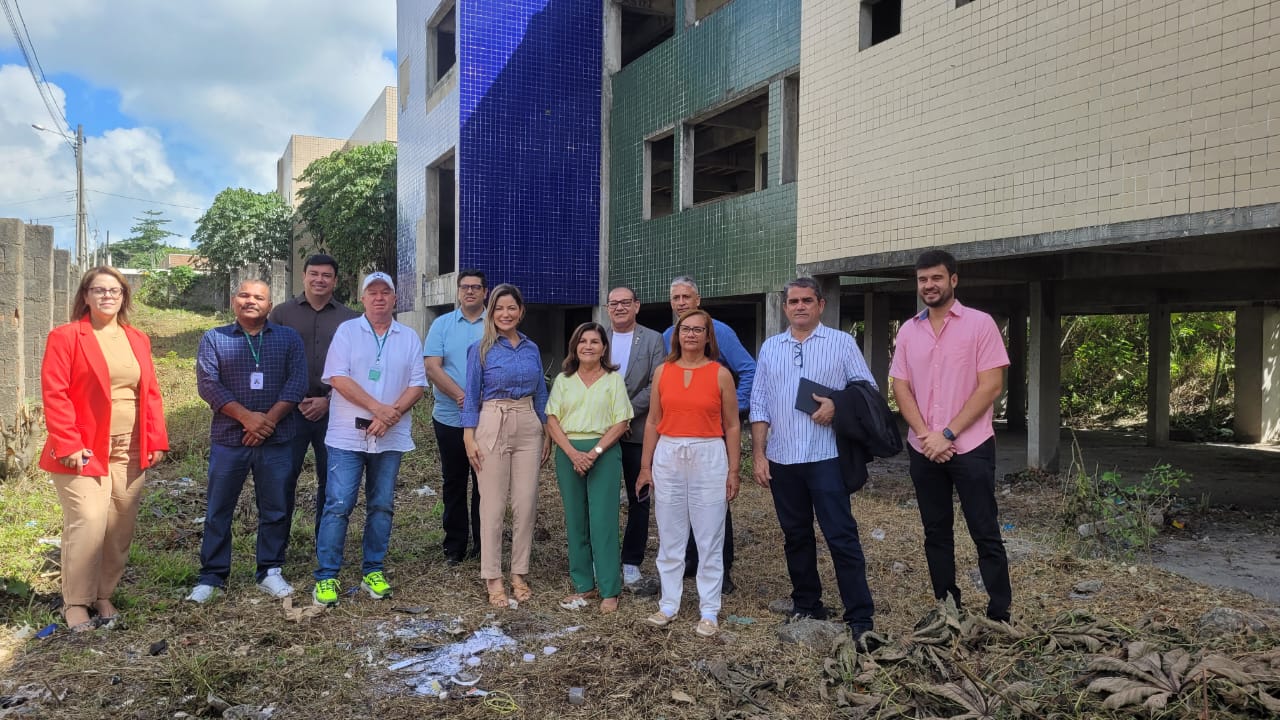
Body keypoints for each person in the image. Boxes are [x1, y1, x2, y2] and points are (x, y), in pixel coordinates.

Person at [40, 267, 169, 631]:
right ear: (85, 296)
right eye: (99, 290)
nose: (107, 296)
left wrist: (156, 438)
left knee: (118, 526)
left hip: (130, 446)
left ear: (124, 296)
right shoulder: (66, 337)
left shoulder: (136, 338)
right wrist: (68, 442)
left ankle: (103, 594)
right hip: (84, 447)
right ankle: (75, 603)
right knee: (89, 521)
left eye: (114, 290)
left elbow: (150, 392)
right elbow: (55, 392)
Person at [750, 278, 878, 641]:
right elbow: (759, 404)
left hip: (827, 456)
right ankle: (807, 603)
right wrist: (759, 455)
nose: (800, 306)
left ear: (821, 305)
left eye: (807, 300)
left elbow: (868, 389)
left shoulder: (841, 343)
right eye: (793, 301)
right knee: (796, 536)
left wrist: (837, 404)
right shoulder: (771, 347)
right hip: (782, 457)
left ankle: (860, 616)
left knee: (841, 536)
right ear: (785, 307)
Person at [890, 249, 1012, 622]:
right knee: (936, 531)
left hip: (971, 446)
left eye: (936, 278)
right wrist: (926, 435)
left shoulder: (980, 324)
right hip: (924, 448)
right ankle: (947, 606)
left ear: (953, 280)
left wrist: (947, 433)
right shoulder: (908, 330)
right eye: (923, 279)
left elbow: (991, 386)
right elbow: (900, 387)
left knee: (984, 529)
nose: (929, 285)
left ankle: (999, 613)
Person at [312, 272, 427, 605]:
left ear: (394, 299)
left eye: (385, 292)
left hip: (390, 436)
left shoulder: (408, 336)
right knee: (338, 505)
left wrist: (390, 416)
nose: (379, 298)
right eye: (372, 292)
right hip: (347, 436)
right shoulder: (347, 331)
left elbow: (417, 384)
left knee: (381, 505)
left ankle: (372, 571)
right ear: (362, 299)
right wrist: (379, 409)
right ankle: (327, 576)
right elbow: (338, 378)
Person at [189, 280, 307, 603]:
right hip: (230, 439)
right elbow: (208, 385)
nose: (250, 301)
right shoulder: (215, 338)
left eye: (259, 297)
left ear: (270, 305)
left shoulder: (288, 338)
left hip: (276, 439)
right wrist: (247, 418)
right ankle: (212, 577)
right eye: (244, 295)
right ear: (233, 301)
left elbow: (297, 384)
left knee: (275, 507)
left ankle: (270, 570)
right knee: (219, 508)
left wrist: (266, 422)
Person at [637, 309, 741, 637]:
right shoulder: (663, 371)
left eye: (698, 330)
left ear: (708, 336)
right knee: (670, 533)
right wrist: (645, 467)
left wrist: (734, 470)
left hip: (708, 454)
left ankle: (709, 609)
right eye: (686, 329)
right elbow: (653, 421)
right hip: (669, 453)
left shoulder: (720, 374)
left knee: (709, 535)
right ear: (677, 335)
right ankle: (668, 604)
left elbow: (732, 425)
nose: (691, 335)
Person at [662, 276, 754, 594]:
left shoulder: (719, 332)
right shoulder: (668, 336)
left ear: (698, 300)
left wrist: (732, 409)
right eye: (676, 298)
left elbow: (749, 369)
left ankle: (721, 569)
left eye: (686, 297)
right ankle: (690, 561)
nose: (681, 303)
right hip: (679, 436)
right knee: (681, 501)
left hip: (712, 433)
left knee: (714, 503)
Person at [461, 283, 549, 609]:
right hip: (492, 421)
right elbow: (471, 395)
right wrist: (468, 436)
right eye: (499, 308)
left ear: (521, 311)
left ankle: (519, 572)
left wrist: (547, 430)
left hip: (528, 422)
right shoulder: (480, 349)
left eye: (511, 308)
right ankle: (493, 576)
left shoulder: (531, 348)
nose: (505, 314)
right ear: (491, 312)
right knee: (493, 505)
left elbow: (541, 392)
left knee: (526, 503)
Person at [545, 322, 633, 613]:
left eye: (595, 341)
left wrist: (594, 453)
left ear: (604, 348)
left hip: (603, 453)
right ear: (575, 346)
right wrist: (573, 453)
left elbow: (622, 422)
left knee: (603, 521)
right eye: (583, 341)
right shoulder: (563, 380)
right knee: (576, 520)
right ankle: (584, 585)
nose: (588, 346)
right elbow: (552, 419)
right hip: (568, 452)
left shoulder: (613, 380)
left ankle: (609, 589)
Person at [268, 254, 359, 538]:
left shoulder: (350, 319)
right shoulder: (282, 314)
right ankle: (277, 549)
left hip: (335, 411)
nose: (320, 280)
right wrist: (293, 400)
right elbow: (272, 361)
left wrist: (329, 401)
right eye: (314, 274)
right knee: (283, 479)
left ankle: (325, 543)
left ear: (335, 281)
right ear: (304, 276)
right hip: (289, 412)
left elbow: (357, 366)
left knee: (331, 480)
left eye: (326, 275)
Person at [423, 270, 488, 565]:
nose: (470, 291)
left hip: (488, 418)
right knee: (454, 481)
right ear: (458, 291)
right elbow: (432, 367)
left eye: (476, 287)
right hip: (449, 417)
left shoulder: (495, 323)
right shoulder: (442, 324)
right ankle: (455, 546)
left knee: (485, 483)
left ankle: (484, 544)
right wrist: (463, 397)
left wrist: (477, 402)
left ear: (485, 292)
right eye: (465, 287)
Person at [603, 286, 665, 589]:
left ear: (637, 306)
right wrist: (609, 420)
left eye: (625, 302)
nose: (619, 308)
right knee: (602, 499)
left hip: (638, 431)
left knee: (639, 497)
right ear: (607, 308)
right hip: (601, 432)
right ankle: (602, 558)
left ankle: (631, 561)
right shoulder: (597, 337)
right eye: (613, 303)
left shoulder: (653, 340)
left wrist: (624, 415)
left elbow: (656, 385)